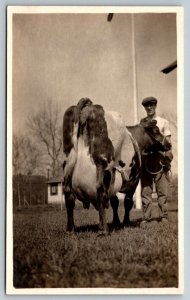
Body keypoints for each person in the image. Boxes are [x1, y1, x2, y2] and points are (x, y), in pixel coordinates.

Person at [140, 96, 173, 225]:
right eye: (146, 106)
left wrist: (168, 158)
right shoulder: (142, 123)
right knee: (146, 191)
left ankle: (163, 216)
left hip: (160, 159)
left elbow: (168, 143)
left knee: (162, 190)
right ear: (144, 107)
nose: (149, 108)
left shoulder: (163, 122)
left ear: (155, 106)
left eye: (151, 105)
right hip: (146, 159)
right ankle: (146, 217)